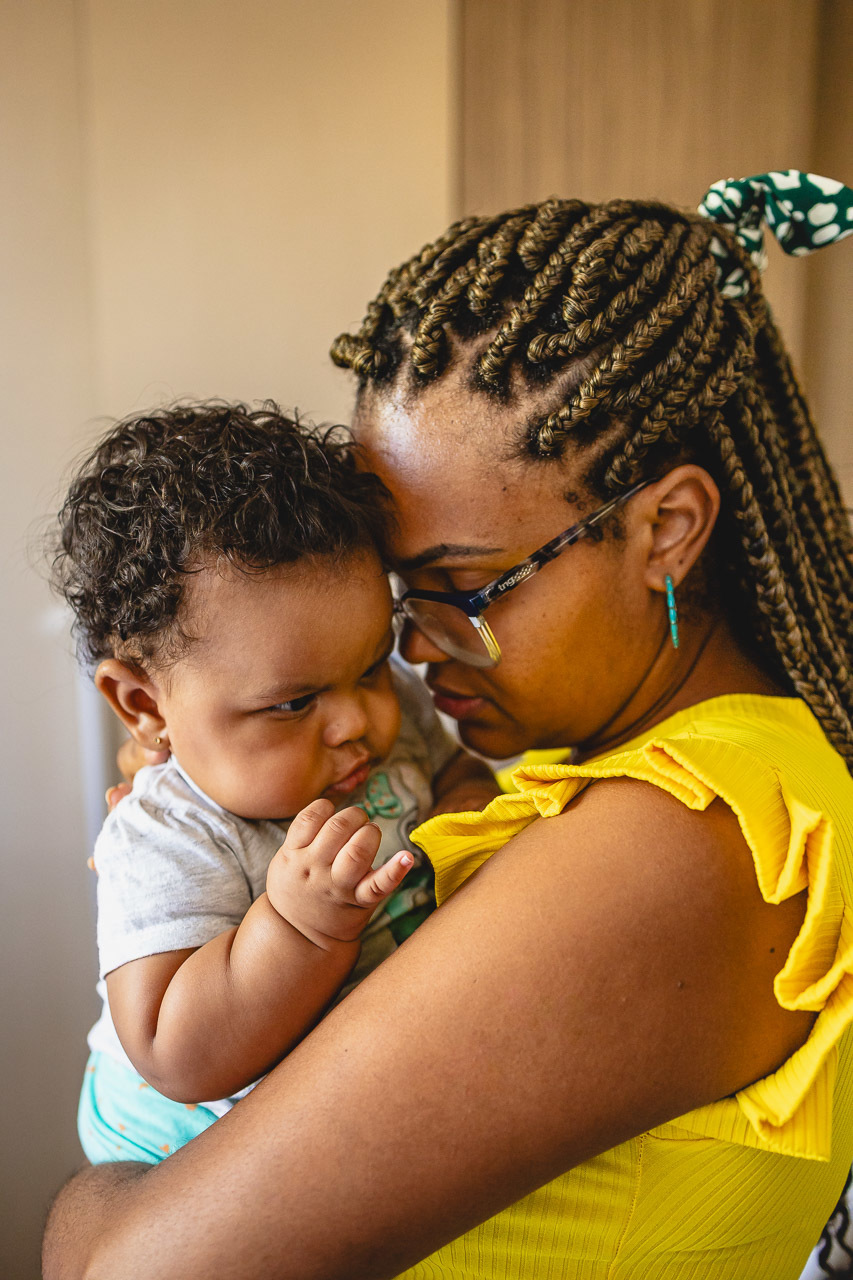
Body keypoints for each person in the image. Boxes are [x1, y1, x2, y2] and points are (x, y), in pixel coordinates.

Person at [43, 171, 853, 1280]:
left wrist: (90, 1202)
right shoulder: (592, 757)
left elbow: (133, 1269)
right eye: (397, 604)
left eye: (465, 589)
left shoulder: (691, 833)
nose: (417, 652)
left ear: (665, 527)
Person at [52, 402, 497, 1166]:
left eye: (371, 667)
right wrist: (298, 928)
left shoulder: (381, 709)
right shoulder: (168, 835)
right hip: (181, 1153)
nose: (356, 721)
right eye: (293, 704)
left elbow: (458, 774)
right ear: (145, 706)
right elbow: (174, 1054)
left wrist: (463, 816)